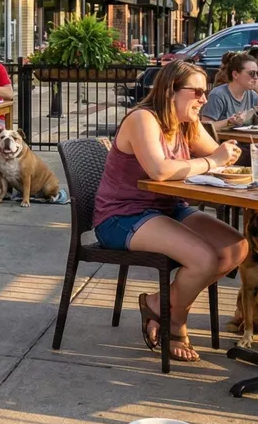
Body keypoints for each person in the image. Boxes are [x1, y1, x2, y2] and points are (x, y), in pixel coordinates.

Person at [93, 60, 247, 363]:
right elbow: (160, 170)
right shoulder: (143, 119)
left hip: (167, 207)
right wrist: (214, 161)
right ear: (169, 91)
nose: (204, 99)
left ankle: (157, 304)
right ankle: (175, 322)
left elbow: (217, 154)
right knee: (203, 259)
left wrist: (227, 153)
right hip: (123, 216)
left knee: (235, 248)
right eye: (197, 92)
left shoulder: (185, 122)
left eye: (205, 92)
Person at [200, 51, 258, 131]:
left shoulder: (253, 96)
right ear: (235, 74)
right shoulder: (218, 95)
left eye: (257, 73)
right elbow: (205, 127)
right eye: (252, 73)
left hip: (247, 138)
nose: (256, 77)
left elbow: (257, 125)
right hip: (222, 139)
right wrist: (229, 122)